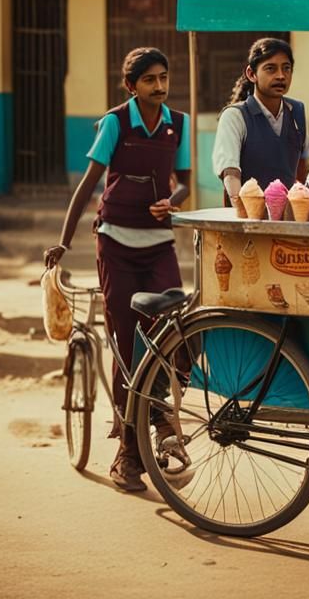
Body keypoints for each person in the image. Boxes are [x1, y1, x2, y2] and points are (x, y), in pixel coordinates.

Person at [43, 47, 190, 493]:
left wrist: (175, 201)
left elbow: (183, 179)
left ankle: (162, 413)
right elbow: (88, 185)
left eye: (163, 77)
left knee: (176, 332)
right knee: (125, 344)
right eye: (149, 79)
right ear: (131, 86)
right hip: (116, 244)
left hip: (160, 243)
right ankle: (127, 451)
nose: (159, 86)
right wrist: (65, 242)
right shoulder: (115, 123)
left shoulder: (176, 124)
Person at [212, 37, 309, 207]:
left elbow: (302, 167)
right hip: (247, 220)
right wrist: (241, 210)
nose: (281, 76)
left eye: (286, 69)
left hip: (287, 220)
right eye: (270, 69)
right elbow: (230, 172)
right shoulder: (235, 116)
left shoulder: (297, 112)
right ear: (251, 74)